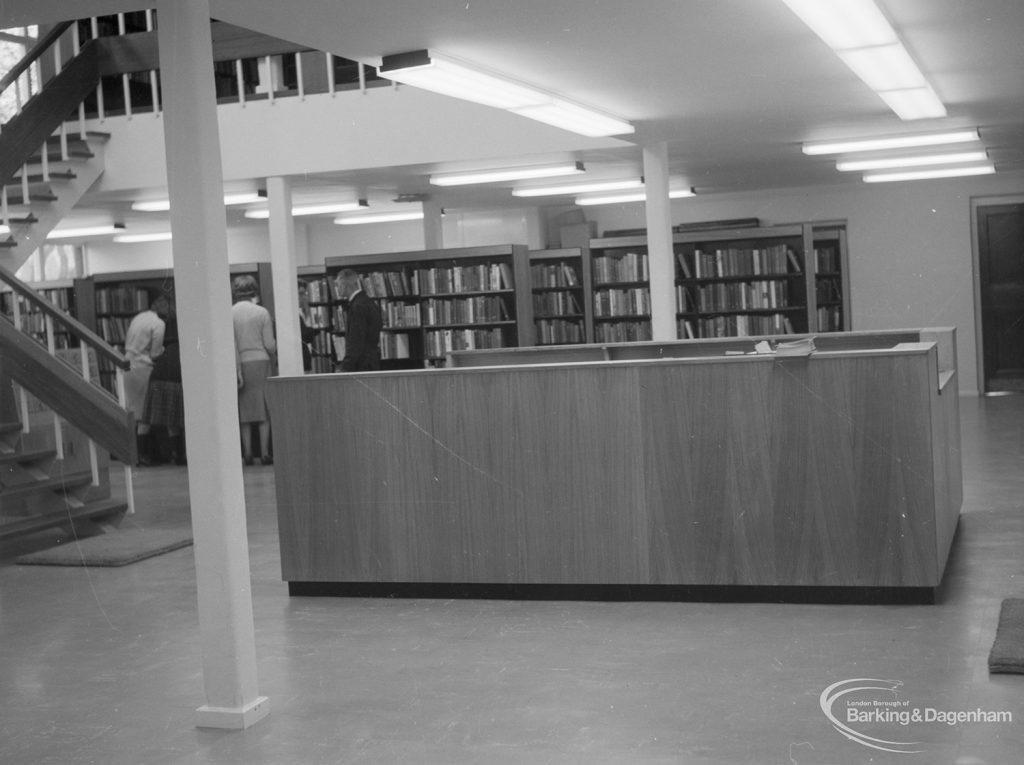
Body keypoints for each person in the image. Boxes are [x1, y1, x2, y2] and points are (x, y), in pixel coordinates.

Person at [232, 275, 276, 465]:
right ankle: (265, 453)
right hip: (261, 362)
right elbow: (270, 344)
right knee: (263, 409)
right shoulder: (262, 312)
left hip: (240, 362)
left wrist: (238, 370)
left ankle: (248, 454)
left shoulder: (229, 313)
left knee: (244, 410)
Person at [124, 294, 170, 466]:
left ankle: (133, 453)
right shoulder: (158, 323)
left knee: (132, 409)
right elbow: (155, 353)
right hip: (142, 366)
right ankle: (142, 454)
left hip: (127, 364)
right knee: (145, 412)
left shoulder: (139, 317)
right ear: (163, 307)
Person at [141, 313, 186, 465]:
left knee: (150, 419)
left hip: (156, 379)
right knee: (177, 420)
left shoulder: (168, 349)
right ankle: (179, 454)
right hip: (175, 381)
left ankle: (144, 455)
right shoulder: (185, 347)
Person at [335, 268, 382, 372]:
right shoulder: (369, 302)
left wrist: (345, 368)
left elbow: (356, 341)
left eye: (338, 285)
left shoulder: (357, 306)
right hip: (372, 362)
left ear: (344, 285)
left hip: (362, 366)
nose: (337, 289)